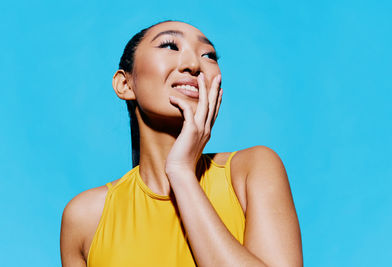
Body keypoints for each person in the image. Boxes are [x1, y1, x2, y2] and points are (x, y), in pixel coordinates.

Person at [60, 20, 303, 267]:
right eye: (169, 46)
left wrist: (181, 172)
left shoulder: (252, 170)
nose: (193, 64)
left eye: (208, 55)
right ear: (125, 84)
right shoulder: (86, 217)